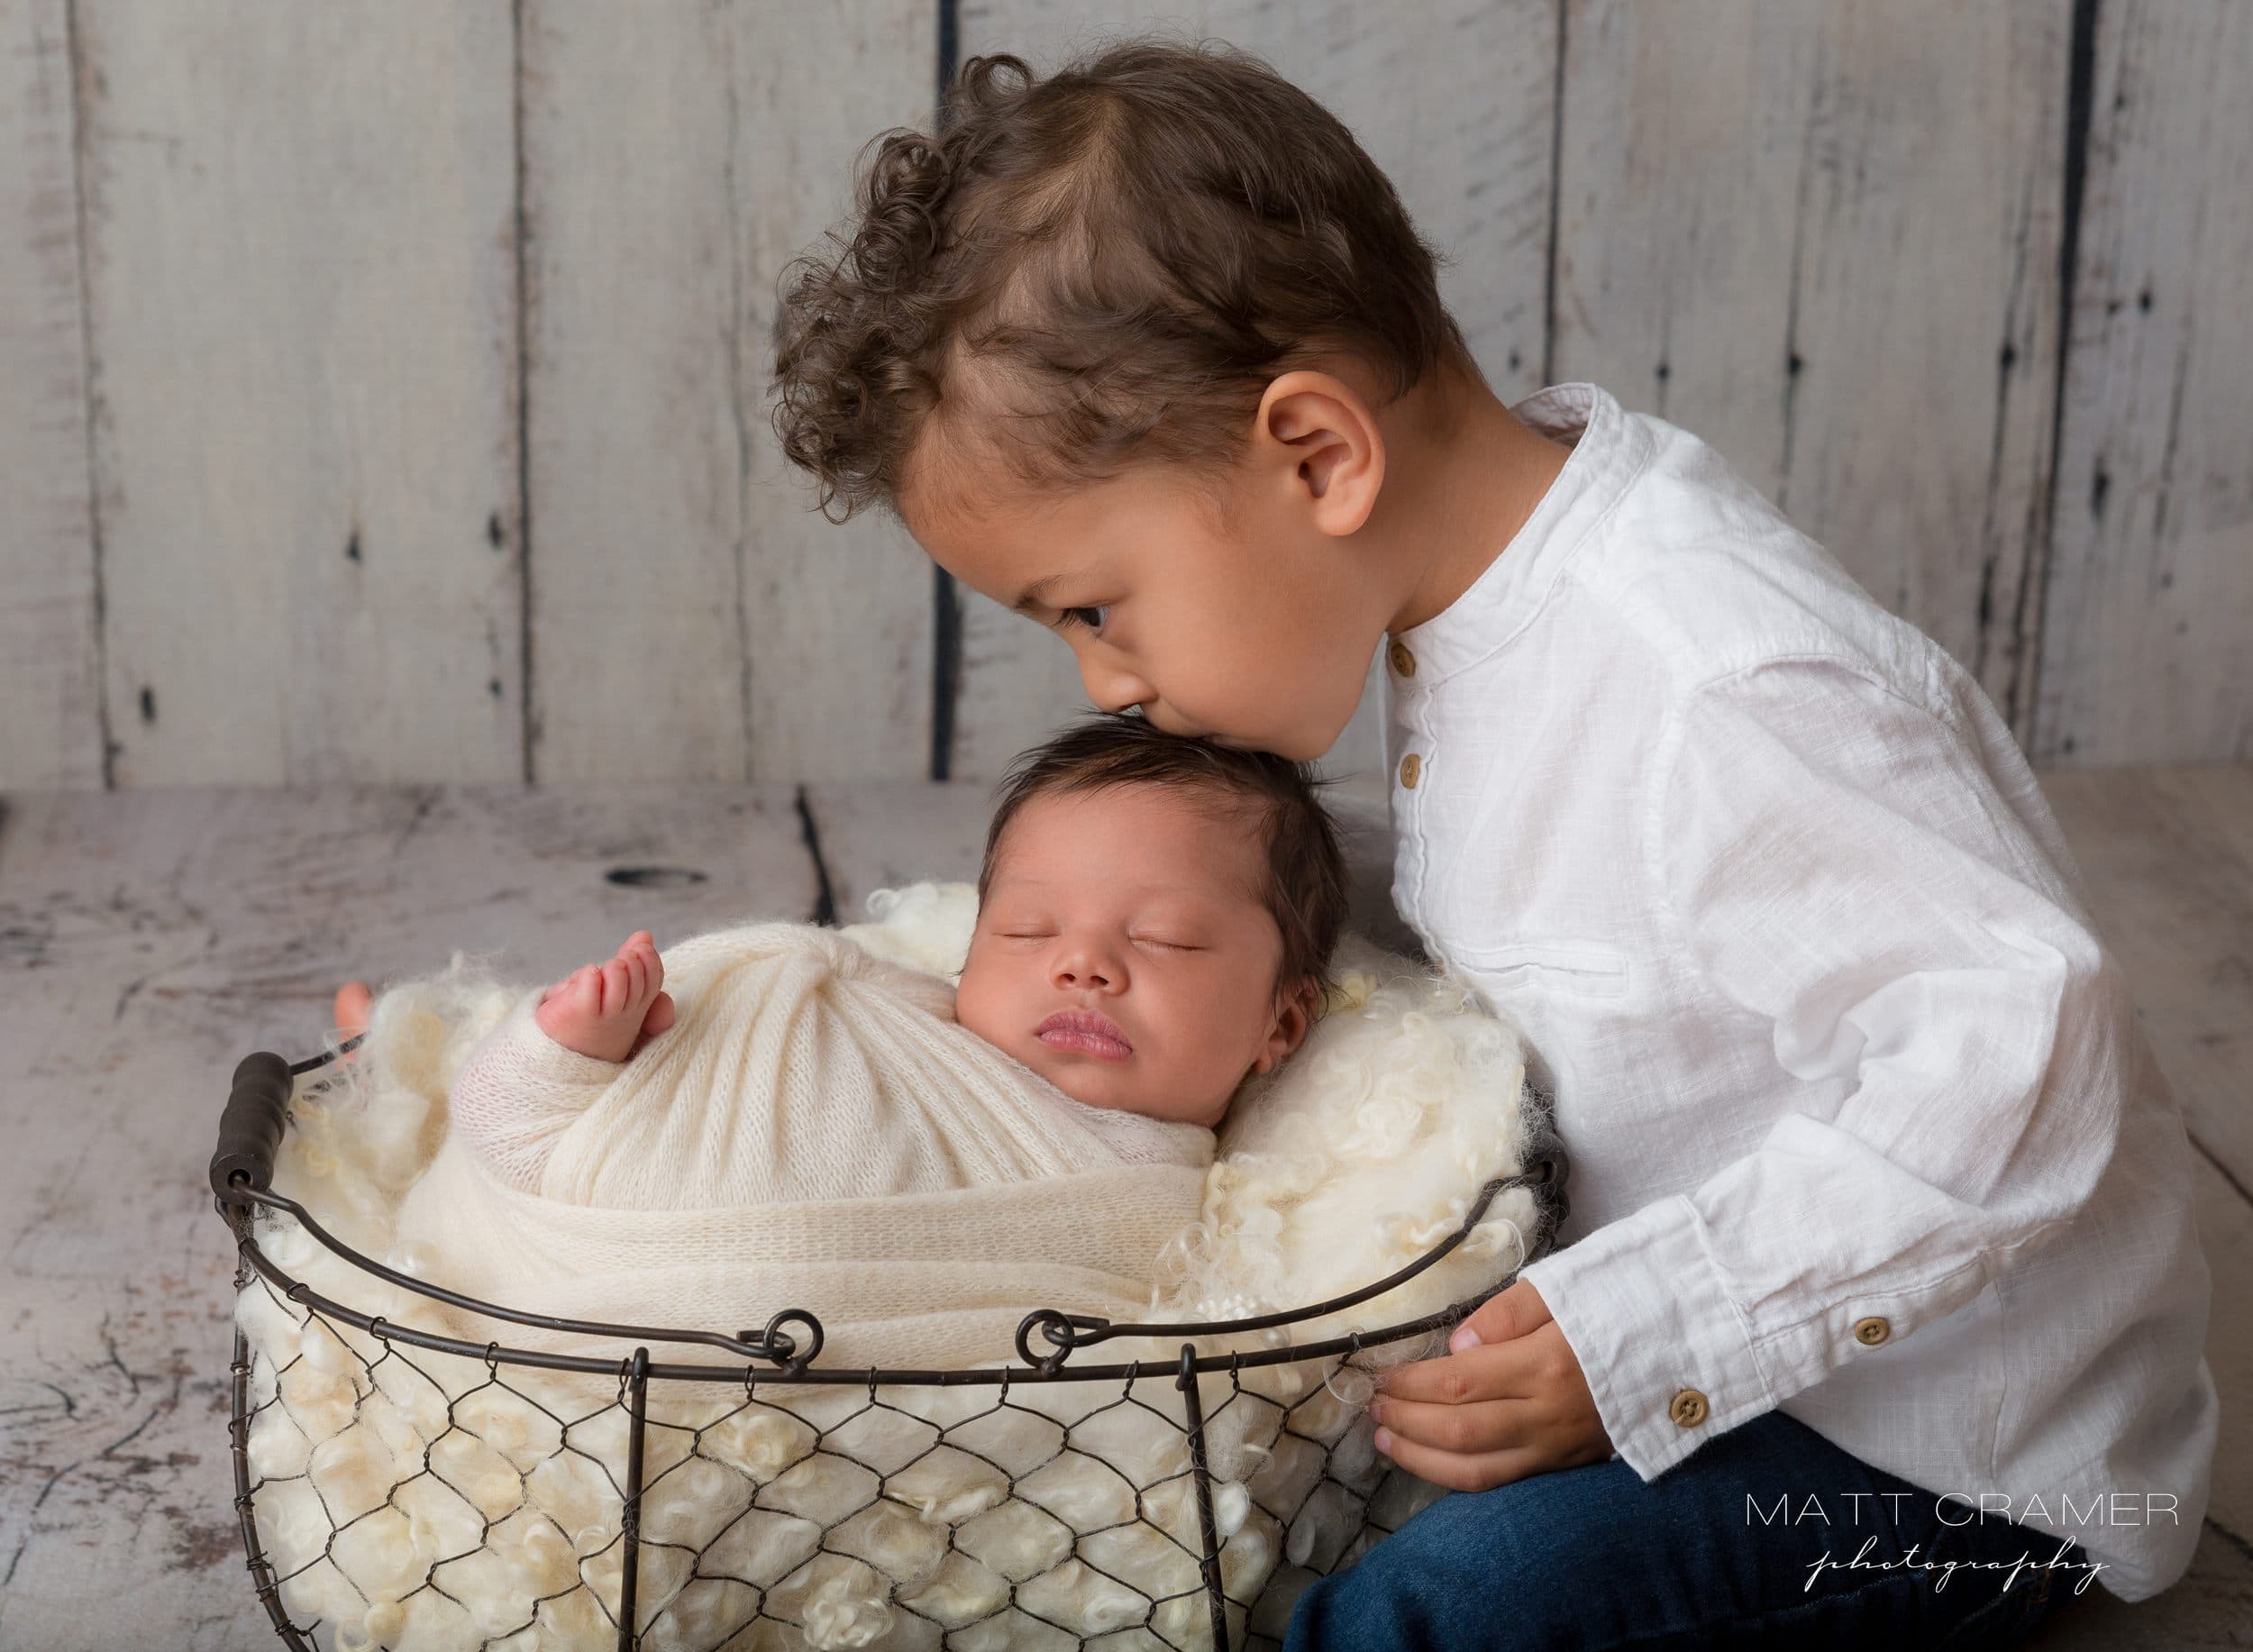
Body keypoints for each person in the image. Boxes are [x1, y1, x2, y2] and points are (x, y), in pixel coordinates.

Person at [760, 35, 2218, 1647]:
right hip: (1688, 1348)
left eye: (1098, 609)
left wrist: (1651, 1334)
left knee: (1457, 1600)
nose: (1112, 680)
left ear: (1318, 454)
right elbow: (1544, 895)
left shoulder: (1715, 681)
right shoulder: (1452, 603)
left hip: (1937, 1451)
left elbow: (2021, 1035)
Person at [342, 711, 1348, 1199]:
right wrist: (588, 1059)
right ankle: (454, 1065)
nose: (1080, 965)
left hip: (741, 1320)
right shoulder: (888, 1027)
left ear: (1282, 1023)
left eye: (1165, 938)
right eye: (1027, 931)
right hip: (634, 1174)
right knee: (520, 1114)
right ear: (965, 960)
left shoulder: (1213, 1202)